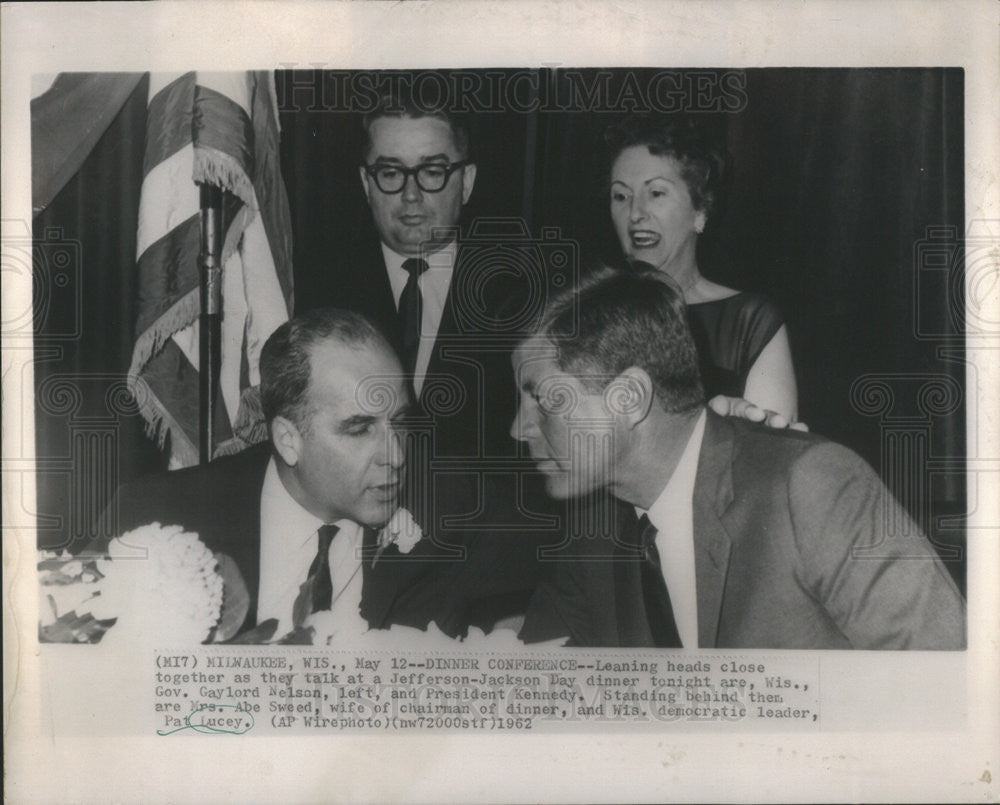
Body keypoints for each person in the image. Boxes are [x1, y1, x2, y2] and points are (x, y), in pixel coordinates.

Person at [515, 266, 965, 649]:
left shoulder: (808, 487)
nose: (519, 428)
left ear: (629, 398)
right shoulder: (591, 536)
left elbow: (941, 686)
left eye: (544, 399)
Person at [98, 309, 465, 641]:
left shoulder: (453, 516)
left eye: (399, 422)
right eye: (359, 429)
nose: (396, 456)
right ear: (288, 440)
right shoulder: (154, 518)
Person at [605, 115, 798, 421]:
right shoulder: (587, 311)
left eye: (655, 193)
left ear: (700, 212)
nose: (635, 213)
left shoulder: (749, 321)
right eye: (620, 196)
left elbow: (770, 459)